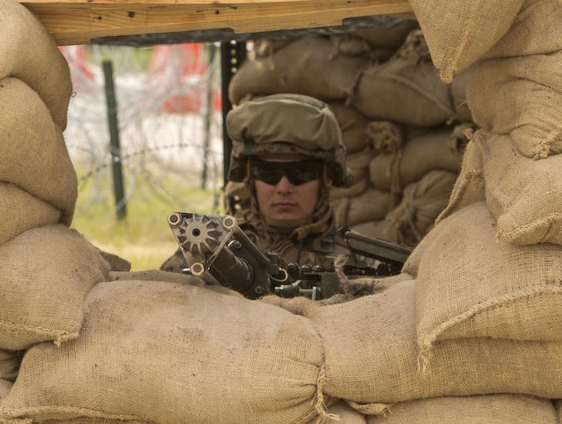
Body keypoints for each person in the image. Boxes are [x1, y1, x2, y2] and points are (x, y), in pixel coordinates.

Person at [161, 93, 390, 300]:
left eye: (300, 173)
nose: (283, 187)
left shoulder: (363, 264)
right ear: (250, 178)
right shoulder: (208, 250)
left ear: (326, 177)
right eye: (268, 173)